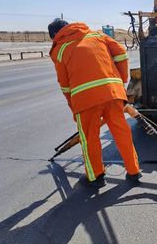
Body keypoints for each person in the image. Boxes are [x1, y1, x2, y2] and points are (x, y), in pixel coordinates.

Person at [48, 18, 141, 188]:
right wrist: (120, 82)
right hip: (113, 94)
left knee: (90, 138)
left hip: (85, 101)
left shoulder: (59, 50)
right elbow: (121, 53)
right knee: (122, 132)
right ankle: (134, 171)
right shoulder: (97, 35)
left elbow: (65, 86)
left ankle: (96, 177)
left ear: (55, 35)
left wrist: (74, 108)